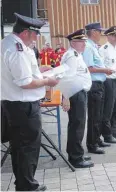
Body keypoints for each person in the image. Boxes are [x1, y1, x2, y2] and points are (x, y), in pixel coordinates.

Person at [1, 13, 58, 191]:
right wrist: (48, 81)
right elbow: (25, 83)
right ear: (26, 32)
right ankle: (27, 186)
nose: (37, 38)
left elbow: (20, 74)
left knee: (19, 147)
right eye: (36, 34)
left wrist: (39, 71)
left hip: (14, 105)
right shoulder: (17, 50)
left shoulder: (8, 44)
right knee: (28, 148)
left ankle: (23, 183)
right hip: (23, 107)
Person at [59, 29, 94, 168]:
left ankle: (76, 152)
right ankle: (76, 158)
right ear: (73, 43)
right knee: (77, 125)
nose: (84, 44)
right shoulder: (72, 56)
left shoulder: (77, 54)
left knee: (77, 125)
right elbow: (67, 78)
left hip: (79, 93)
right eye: (81, 41)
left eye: (85, 41)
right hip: (75, 94)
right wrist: (65, 97)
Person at [82, 22, 114, 154]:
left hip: (99, 84)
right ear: (93, 32)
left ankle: (97, 139)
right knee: (95, 116)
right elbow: (89, 68)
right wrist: (105, 70)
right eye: (99, 31)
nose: (101, 34)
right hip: (94, 85)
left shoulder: (93, 46)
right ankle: (92, 144)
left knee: (99, 115)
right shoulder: (88, 47)